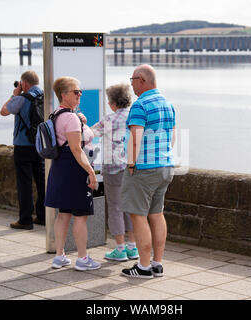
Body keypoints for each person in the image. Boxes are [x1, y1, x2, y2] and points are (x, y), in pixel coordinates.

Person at [121, 64, 176, 279]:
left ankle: (143, 267)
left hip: (144, 169)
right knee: (157, 214)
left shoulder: (140, 105)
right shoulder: (167, 104)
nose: (131, 84)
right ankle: (157, 264)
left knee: (138, 216)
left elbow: (135, 139)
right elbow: (171, 140)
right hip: (165, 166)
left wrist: (131, 164)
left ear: (141, 80)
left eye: (132, 79)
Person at [45, 76, 101, 271]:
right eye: (75, 92)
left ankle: (59, 256)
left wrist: (80, 119)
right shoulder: (70, 118)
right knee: (81, 216)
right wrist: (91, 173)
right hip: (76, 169)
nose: (80, 95)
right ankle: (83, 259)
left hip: (60, 167)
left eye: (80, 91)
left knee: (63, 214)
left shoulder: (56, 114)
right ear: (63, 94)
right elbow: (77, 150)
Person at [90, 83, 139, 262]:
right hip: (133, 168)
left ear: (112, 103)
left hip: (114, 168)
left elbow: (89, 133)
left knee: (116, 207)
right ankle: (133, 248)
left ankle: (120, 248)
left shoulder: (109, 120)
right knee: (130, 207)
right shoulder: (135, 117)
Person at [0, 70, 45, 230]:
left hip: (23, 145)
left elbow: (4, 111)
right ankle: (43, 215)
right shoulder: (45, 96)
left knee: (24, 184)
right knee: (42, 182)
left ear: (24, 83)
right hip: (41, 145)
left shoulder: (21, 99)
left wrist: (14, 94)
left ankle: (25, 219)